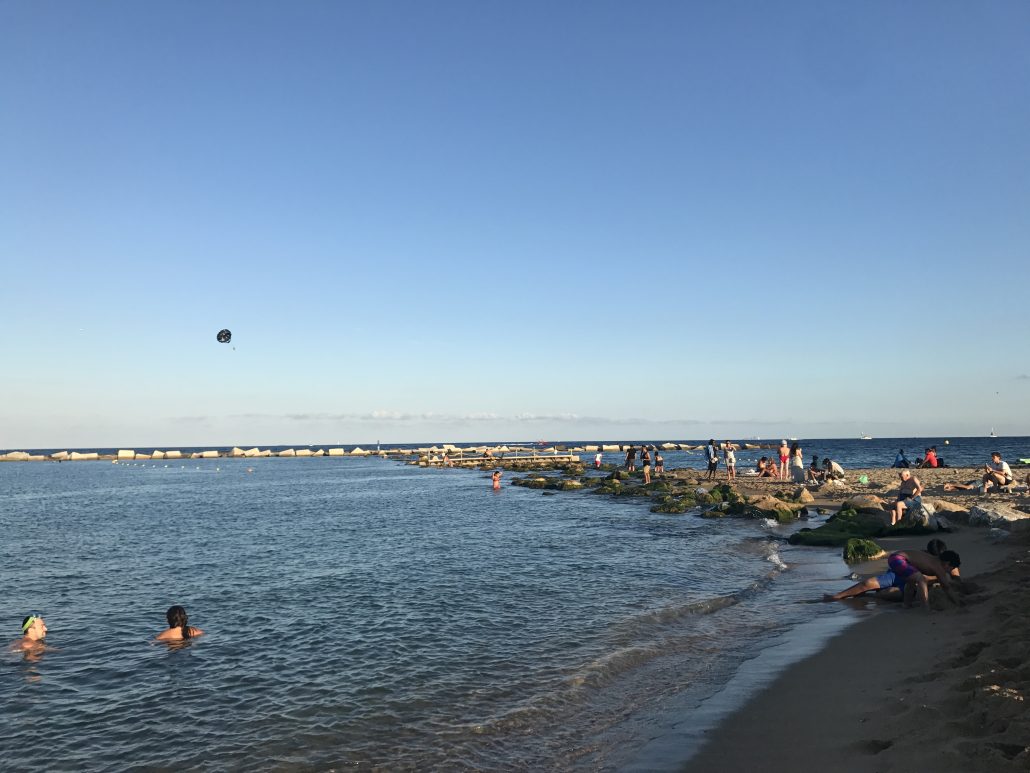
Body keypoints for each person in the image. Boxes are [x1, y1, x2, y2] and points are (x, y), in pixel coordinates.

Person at [822, 549, 961, 607]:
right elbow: (947, 588)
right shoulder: (936, 565)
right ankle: (838, 596)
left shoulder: (939, 564)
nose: (950, 571)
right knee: (919, 579)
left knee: (879, 589)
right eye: (951, 568)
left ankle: (841, 596)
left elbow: (951, 584)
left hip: (901, 570)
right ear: (947, 563)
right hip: (900, 566)